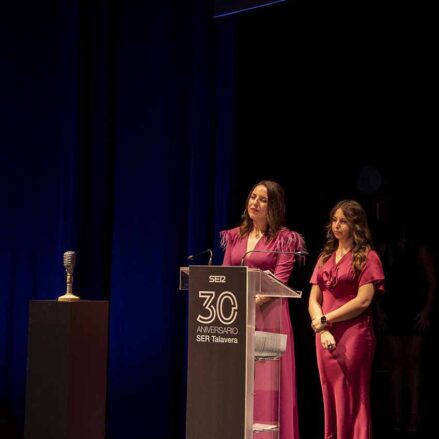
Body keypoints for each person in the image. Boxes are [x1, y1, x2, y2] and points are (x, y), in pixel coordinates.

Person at [221, 180, 305, 439]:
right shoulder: (234, 236)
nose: (255, 203)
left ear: (274, 206)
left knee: (267, 387)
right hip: (237, 318)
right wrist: (234, 304)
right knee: (239, 385)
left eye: (263, 199)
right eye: (252, 197)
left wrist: (246, 302)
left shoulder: (284, 239)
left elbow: (279, 281)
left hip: (270, 318)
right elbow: (225, 276)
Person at [308, 199, 385, 439]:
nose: (337, 225)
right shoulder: (324, 257)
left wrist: (325, 319)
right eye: (334, 220)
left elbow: (363, 301)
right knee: (329, 393)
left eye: (343, 221)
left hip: (354, 335)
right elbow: (313, 300)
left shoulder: (367, 257)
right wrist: (322, 329)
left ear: (355, 225)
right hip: (325, 336)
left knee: (352, 393)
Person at [376, 221, 437, 435]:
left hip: (415, 310)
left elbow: (432, 281)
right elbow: (375, 282)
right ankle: (396, 415)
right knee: (395, 363)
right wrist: (379, 310)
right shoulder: (385, 248)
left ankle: (413, 415)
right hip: (392, 309)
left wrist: (427, 310)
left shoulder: (420, 249)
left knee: (413, 362)